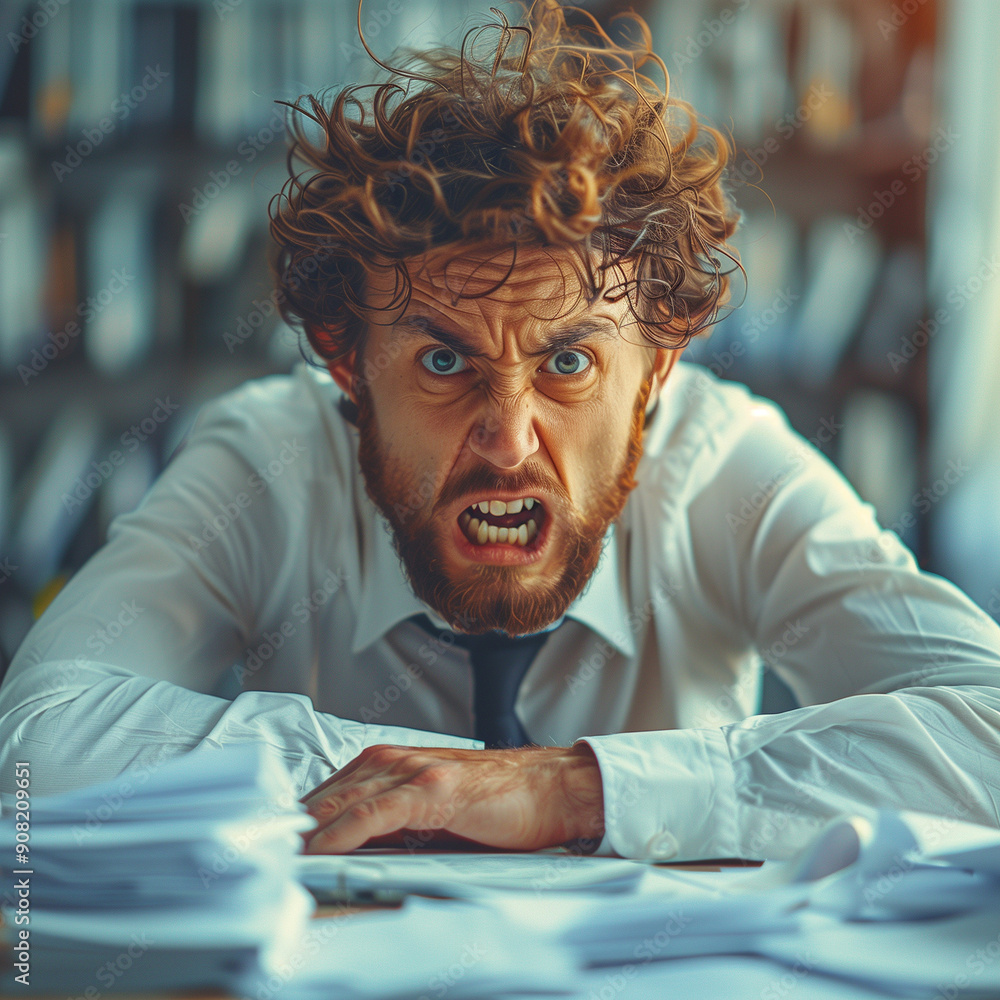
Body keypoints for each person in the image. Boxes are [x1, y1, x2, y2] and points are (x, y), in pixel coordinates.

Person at [2, 1, 999, 863]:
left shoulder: (721, 465)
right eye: (442, 363)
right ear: (347, 360)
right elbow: (30, 748)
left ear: (654, 370)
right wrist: (404, 779)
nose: (508, 440)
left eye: (568, 363)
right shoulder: (271, 458)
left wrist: (569, 789)